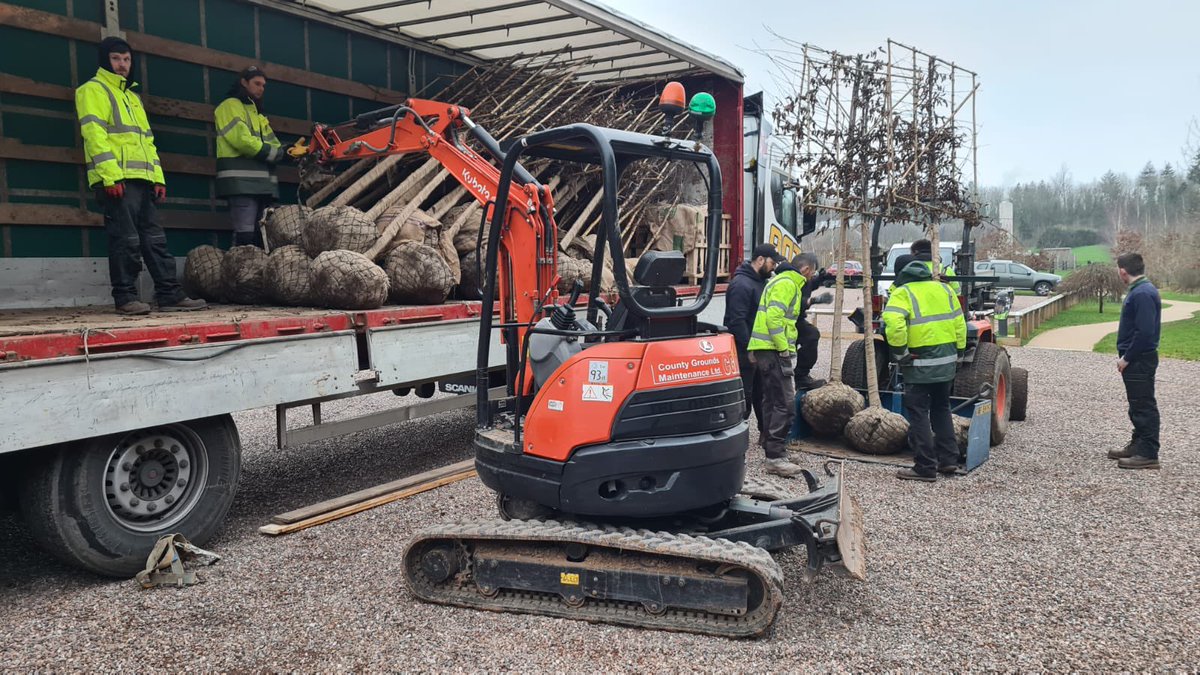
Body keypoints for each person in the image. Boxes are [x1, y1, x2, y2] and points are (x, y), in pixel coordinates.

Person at [75, 37, 206, 315]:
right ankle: (125, 297)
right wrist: (110, 177)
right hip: (117, 179)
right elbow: (94, 136)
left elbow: (147, 141)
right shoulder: (92, 90)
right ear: (104, 60)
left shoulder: (132, 97)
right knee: (126, 240)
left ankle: (169, 294)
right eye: (116, 59)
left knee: (155, 239)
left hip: (143, 179)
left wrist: (158, 178)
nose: (122, 65)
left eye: (126, 59)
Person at [881, 260, 967, 482]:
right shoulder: (946, 290)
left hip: (918, 361)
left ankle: (925, 467)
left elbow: (894, 324)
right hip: (946, 360)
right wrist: (958, 353)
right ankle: (949, 461)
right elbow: (960, 323)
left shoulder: (902, 293)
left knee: (918, 412)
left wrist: (901, 354)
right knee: (941, 408)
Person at [747, 253, 810, 478]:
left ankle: (773, 449)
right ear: (807, 270)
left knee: (771, 400)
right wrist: (783, 347)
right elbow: (774, 318)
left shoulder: (777, 281)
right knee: (784, 403)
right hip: (774, 350)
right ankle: (775, 457)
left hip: (766, 349)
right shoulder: (788, 284)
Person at [214, 66, 283, 247]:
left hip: (261, 185)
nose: (261, 88)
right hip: (241, 183)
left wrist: (285, 151)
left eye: (263, 85)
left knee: (262, 236)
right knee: (245, 235)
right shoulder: (229, 106)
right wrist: (276, 153)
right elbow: (242, 140)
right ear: (244, 82)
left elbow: (272, 142)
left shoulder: (257, 114)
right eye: (257, 83)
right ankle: (238, 273)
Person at [723, 244, 783, 433]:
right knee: (745, 395)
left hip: (756, 348)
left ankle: (765, 434)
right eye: (772, 263)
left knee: (762, 393)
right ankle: (737, 436)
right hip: (744, 350)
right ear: (760, 260)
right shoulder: (741, 284)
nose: (774, 267)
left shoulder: (759, 282)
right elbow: (737, 320)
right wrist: (750, 348)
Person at [1109, 253, 1161, 469]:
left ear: (1123, 271)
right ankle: (1138, 445)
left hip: (1139, 360)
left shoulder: (1142, 294)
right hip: (1137, 359)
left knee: (1143, 406)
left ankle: (1148, 453)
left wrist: (1126, 358)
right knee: (1137, 404)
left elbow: (1145, 333)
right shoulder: (1142, 290)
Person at [791, 254, 832, 391]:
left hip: (797, 321)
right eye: (813, 273)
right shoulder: (789, 281)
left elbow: (810, 284)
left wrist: (821, 278)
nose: (812, 276)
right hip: (785, 322)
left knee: (812, 334)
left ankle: (802, 376)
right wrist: (812, 301)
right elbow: (792, 303)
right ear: (806, 269)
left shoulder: (804, 280)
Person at [894, 239, 959, 293]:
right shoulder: (946, 270)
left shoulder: (910, 268)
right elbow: (957, 293)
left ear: (915, 252)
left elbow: (894, 290)